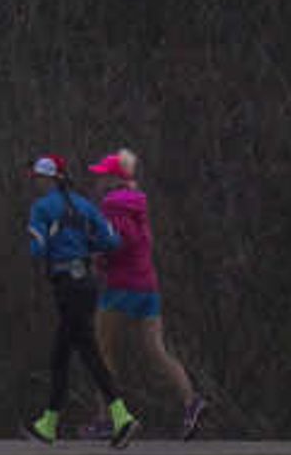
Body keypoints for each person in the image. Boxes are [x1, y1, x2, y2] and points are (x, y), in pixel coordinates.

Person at [88, 148, 208, 438]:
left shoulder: (112, 205)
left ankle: (109, 419)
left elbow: (118, 243)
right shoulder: (137, 205)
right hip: (147, 288)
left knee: (101, 351)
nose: (96, 181)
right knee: (156, 350)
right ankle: (192, 402)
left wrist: (98, 259)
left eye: (101, 175)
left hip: (121, 288)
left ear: (113, 180)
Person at [23, 154, 136, 447]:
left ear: (51, 179)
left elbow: (37, 250)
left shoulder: (41, 208)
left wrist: (52, 243)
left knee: (87, 352)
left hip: (66, 284)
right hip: (87, 282)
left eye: (39, 178)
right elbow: (111, 241)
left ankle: (122, 416)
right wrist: (86, 246)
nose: (36, 183)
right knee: (61, 355)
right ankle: (48, 424)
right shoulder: (85, 206)